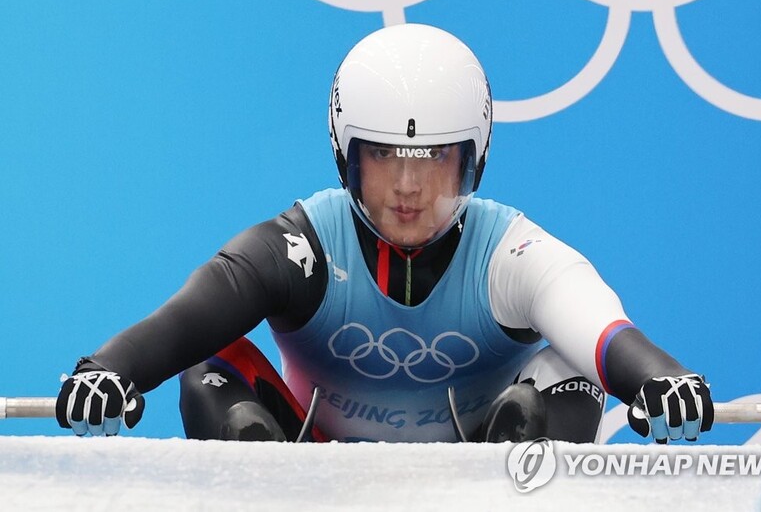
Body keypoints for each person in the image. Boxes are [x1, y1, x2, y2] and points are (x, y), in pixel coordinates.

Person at [56, 23, 713, 444]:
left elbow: (599, 330)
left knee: (575, 369)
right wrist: (106, 371)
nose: (407, 186)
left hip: (482, 463)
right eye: (383, 157)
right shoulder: (300, 245)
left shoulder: (512, 252)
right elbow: (184, 319)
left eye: (434, 159)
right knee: (207, 360)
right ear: (346, 156)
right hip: (308, 465)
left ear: (473, 158)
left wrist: (660, 377)